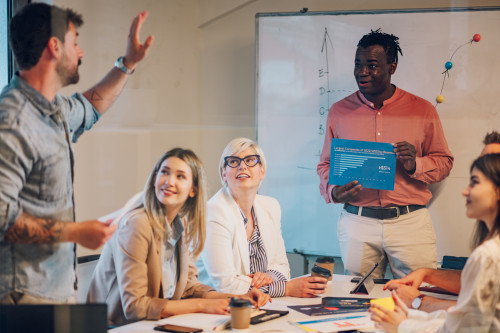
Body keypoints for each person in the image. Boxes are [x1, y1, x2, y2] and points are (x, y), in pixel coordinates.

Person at [0, 3, 153, 304]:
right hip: (24, 297)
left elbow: (90, 107)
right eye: (76, 42)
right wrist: (75, 232)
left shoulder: (52, 108)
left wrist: (127, 63)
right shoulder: (13, 120)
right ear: (54, 47)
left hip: (56, 291)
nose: (80, 52)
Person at [316, 29, 454, 279]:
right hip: (357, 221)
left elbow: (444, 162)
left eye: (372, 65)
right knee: (357, 300)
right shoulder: (339, 111)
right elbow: (325, 164)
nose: (362, 72)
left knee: (418, 295)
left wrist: (415, 165)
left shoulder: (421, 109)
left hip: (409, 222)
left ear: (392, 67)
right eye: (358, 64)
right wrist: (334, 191)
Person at [87, 148, 269, 326]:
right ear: (154, 179)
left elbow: (189, 287)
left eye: (180, 176)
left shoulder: (180, 224)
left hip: (156, 323)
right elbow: (135, 307)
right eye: (164, 172)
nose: (169, 181)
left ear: (193, 190)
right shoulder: (136, 224)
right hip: (116, 327)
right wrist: (202, 305)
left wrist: (237, 297)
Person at [370, 153, 500, 332]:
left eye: (475, 182)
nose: (465, 191)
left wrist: (403, 325)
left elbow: (464, 328)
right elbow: (467, 318)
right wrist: (411, 316)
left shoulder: (488, 255)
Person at [198, 137, 327, 298]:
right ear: (224, 174)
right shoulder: (213, 212)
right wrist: (285, 289)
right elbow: (226, 285)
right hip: (214, 309)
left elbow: (282, 266)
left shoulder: (270, 206)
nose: (242, 166)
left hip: (260, 304)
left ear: (262, 171)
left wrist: (269, 277)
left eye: (250, 160)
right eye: (233, 161)